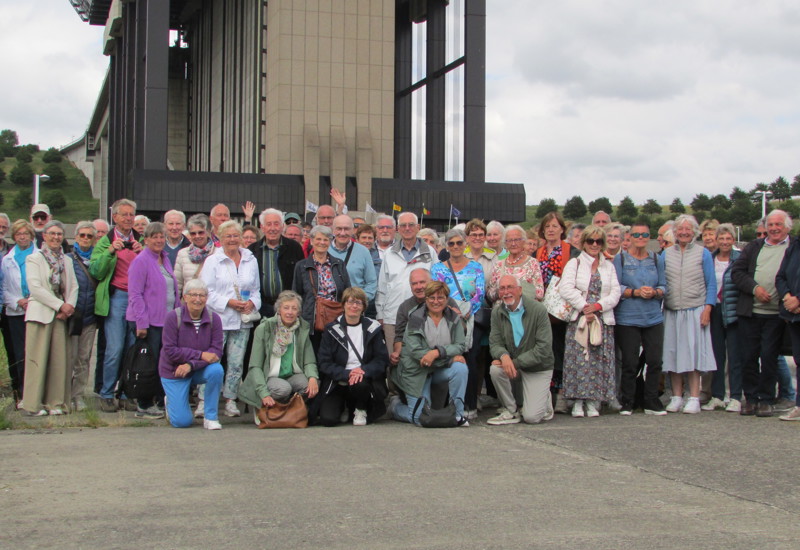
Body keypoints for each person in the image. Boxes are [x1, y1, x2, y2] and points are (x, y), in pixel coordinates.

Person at [731, 209, 794, 417]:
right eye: (770, 224)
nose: (774, 228)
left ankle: (766, 399)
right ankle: (750, 399)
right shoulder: (754, 246)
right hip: (751, 312)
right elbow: (737, 272)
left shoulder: (795, 247)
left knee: (769, 358)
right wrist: (755, 288)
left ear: (787, 227)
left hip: (777, 315)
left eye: (778, 224)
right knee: (748, 357)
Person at [200, 220, 261, 417]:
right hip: (218, 319)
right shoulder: (213, 261)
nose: (232, 240)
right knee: (212, 361)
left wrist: (252, 302)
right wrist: (229, 302)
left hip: (242, 320)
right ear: (220, 238)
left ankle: (230, 399)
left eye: (236, 236)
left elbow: (256, 289)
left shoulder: (250, 259)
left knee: (236, 363)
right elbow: (205, 291)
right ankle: (204, 400)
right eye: (228, 236)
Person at [559, 225, 621, 418]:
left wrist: (598, 306)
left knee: (599, 361)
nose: (595, 245)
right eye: (590, 241)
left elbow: (615, 293)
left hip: (601, 319)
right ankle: (577, 401)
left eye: (599, 241)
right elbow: (565, 288)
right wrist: (585, 307)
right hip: (580, 318)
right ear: (584, 243)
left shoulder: (608, 266)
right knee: (579, 361)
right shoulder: (575, 263)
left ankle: (594, 401)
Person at [390, 281, 469, 426]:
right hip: (417, 371)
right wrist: (449, 359)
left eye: (440, 298)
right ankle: (395, 407)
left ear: (447, 299)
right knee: (420, 419)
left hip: (439, 369)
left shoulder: (454, 317)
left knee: (461, 368)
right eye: (431, 298)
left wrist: (437, 353)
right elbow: (416, 352)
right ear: (426, 299)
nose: (436, 302)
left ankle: (458, 415)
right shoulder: (415, 317)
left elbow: (460, 345)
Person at [90, 198, 143, 413]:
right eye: (124, 214)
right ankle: (106, 393)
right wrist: (111, 251)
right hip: (117, 297)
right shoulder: (106, 241)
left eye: (131, 215)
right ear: (115, 217)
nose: (128, 218)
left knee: (132, 350)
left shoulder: (140, 239)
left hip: (137, 299)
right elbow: (96, 270)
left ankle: (126, 393)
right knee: (114, 348)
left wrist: (144, 253)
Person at [21, 221, 78, 416]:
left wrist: (68, 306)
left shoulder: (67, 260)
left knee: (59, 361)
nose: (56, 237)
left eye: (59, 234)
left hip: (61, 316)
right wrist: (59, 305)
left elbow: (73, 286)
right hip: (41, 313)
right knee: (37, 360)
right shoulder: (34, 258)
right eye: (52, 234)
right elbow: (35, 288)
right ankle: (33, 404)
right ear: (44, 236)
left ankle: (55, 402)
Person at [662, 214, 717, 414]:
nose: (684, 232)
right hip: (672, 310)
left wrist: (708, 308)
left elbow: (711, 283)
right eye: (680, 229)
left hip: (695, 309)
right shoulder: (666, 254)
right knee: (673, 354)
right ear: (675, 232)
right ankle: (676, 396)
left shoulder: (703, 254)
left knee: (693, 356)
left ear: (694, 232)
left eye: (688, 229)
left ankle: (694, 396)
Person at [238, 290, 319, 424]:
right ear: (279, 310)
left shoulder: (302, 328)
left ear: (298, 312)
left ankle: (288, 411)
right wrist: (263, 393)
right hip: (268, 376)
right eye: (286, 308)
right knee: (283, 389)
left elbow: (309, 361)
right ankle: (262, 406)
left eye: (294, 309)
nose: (290, 312)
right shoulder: (264, 328)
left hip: (291, 374)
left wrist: (312, 378)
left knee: (309, 385)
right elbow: (255, 366)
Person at [125, 222, 180, 419]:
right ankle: (143, 404)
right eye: (154, 237)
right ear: (145, 239)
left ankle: (156, 400)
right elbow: (135, 294)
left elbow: (173, 291)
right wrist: (141, 323)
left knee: (161, 363)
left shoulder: (163, 259)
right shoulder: (141, 261)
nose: (159, 240)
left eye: (161, 236)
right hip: (148, 323)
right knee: (146, 364)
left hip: (165, 322)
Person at [430, 228, 486, 419]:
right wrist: (450, 312)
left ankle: (469, 404)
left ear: (465, 244)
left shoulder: (476, 267)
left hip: (470, 319)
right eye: (451, 243)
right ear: (446, 246)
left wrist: (465, 312)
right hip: (445, 318)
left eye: (459, 243)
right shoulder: (437, 268)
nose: (455, 247)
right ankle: (446, 402)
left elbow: (479, 293)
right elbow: (436, 292)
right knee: (449, 358)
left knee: (470, 359)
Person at [612, 223, 667, 415]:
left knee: (655, 360)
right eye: (637, 234)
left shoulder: (656, 259)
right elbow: (615, 287)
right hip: (628, 317)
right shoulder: (621, 259)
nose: (641, 237)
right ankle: (628, 400)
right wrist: (635, 292)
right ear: (630, 237)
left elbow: (664, 286)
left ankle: (651, 399)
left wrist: (655, 292)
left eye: (645, 234)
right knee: (630, 361)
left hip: (653, 317)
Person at [487, 275, 555, 425]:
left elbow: (543, 349)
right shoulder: (497, 313)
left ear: (520, 290)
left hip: (537, 367)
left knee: (531, 418)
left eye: (510, 287)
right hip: (514, 365)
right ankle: (511, 410)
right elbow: (495, 343)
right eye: (502, 288)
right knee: (495, 369)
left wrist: (515, 362)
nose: (506, 292)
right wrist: (503, 356)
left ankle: (544, 398)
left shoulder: (538, 310)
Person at [317, 287, 389, 426]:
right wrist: (346, 374)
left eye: (358, 303)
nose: (354, 306)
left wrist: (363, 370)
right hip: (338, 380)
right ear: (343, 305)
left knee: (359, 383)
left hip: (362, 379)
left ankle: (360, 408)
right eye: (350, 302)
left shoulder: (373, 328)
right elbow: (324, 362)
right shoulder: (331, 329)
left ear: (364, 307)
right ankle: (344, 406)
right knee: (328, 420)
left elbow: (381, 359)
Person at [159, 279, 224, 430]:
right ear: (185, 297)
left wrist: (191, 364)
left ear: (206, 298)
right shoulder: (173, 317)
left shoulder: (215, 319)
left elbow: (215, 353)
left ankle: (210, 417)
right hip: (175, 370)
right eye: (193, 295)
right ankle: (171, 402)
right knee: (182, 422)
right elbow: (170, 350)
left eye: (202, 295)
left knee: (217, 370)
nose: (198, 299)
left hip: (196, 368)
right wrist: (201, 355)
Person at [535, 211, 580, 413]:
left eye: (554, 226)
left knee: (563, 349)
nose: (551, 230)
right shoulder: (538, 252)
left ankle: (562, 395)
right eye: (547, 227)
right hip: (544, 307)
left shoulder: (572, 252)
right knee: (547, 348)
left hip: (564, 307)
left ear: (562, 229)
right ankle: (548, 394)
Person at [375, 212, 434, 354]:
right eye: (403, 225)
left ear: (418, 227)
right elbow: (382, 287)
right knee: (395, 358)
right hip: (393, 316)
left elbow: (436, 284)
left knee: (420, 356)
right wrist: (380, 315)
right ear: (398, 229)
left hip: (424, 315)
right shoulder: (389, 253)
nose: (407, 228)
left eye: (411, 225)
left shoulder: (430, 252)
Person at [704, 223, 743, 412]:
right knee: (716, 355)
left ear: (733, 240)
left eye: (728, 239)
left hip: (734, 310)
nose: (725, 242)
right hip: (715, 310)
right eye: (722, 239)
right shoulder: (709, 259)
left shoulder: (740, 259)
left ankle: (735, 396)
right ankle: (717, 395)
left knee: (735, 356)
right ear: (717, 241)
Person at [292, 225, 351, 350]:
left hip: (335, 317)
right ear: (312, 241)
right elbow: (296, 294)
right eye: (318, 239)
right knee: (313, 353)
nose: (322, 243)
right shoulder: (301, 266)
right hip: (311, 319)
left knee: (334, 353)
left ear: (330, 242)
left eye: (326, 239)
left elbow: (347, 291)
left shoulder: (339, 264)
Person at [2, 220, 37, 408]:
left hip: (36, 309)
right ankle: (20, 393)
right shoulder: (7, 259)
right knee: (18, 354)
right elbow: (4, 287)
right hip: (15, 312)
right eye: (18, 234)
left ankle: (35, 392)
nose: (22, 237)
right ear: (14, 237)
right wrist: (18, 301)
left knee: (35, 352)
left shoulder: (39, 255)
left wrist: (31, 300)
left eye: (25, 233)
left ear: (32, 236)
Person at [250, 208, 305, 318]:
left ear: (282, 226)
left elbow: (301, 278)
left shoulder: (294, 248)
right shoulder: (252, 250)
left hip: (288, 307)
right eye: (269, 224)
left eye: (276, 224)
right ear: (262, 227)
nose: (273, 228)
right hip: (262, 307)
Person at [69, 221, 99, 412]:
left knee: (83, 358)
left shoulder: (98, 258)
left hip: (90, 315)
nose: (86, 239)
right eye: (82, 235)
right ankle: (63, 394)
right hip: (71, 314)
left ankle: (78, 395)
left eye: (90, 236)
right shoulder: (67, 259)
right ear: (76, 237)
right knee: (67, 357)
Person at [487, 225, 544, 302]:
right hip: (502, 311)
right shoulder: (498, 265)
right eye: (509, 240)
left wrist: (518, 289)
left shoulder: (533, 263)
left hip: (525, 311)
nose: (513, 244)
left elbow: (540, 293)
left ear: (524, 241)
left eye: (517, 240)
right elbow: (490, 294)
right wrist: (501, 290)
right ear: (505, 243)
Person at [329, 215, 377, 305]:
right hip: (330, 308)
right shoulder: (325, 250)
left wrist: (360, 301)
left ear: (352, 231)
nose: (342, 233)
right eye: (339, 229)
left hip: (355, 308)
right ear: (333, 230)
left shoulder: (363, 252)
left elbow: (371, 282)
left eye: (346, 229)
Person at [174, 214, 216, 293]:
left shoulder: (218, 253)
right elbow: (177, 285)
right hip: (190, 303)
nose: (197, 236)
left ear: (208, 232)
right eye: (193, 233)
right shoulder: (182, 254)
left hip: (211, 303)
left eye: (201, 232)